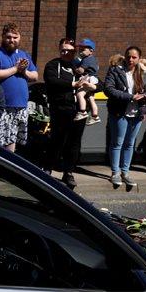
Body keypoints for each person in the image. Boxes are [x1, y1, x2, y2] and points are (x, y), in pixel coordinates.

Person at [43, 39, 94, 189]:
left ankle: (68, 172)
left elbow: (98, 81)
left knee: (74, 143)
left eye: (69, 51)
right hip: (60, 109)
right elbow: (52, 82)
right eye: (63, 50)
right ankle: (48, 169)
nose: (65, 53)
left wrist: (93, 85)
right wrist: (73, 84)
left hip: (79, 111)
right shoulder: (53, 65)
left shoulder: (81, 66)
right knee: (57, 140)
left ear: (75, 52)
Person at [104, 46, 146, 189]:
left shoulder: (145, 72)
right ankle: (115, 172)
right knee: (117, 142)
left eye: (134, 57)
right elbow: (108, 89)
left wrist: (145, 96)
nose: (130, 60)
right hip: (119, 112)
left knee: (130, 143)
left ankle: (125, 172)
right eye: (128, 56)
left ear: (139, 58)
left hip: (136, 114)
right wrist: (131, 96)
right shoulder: (116, 70)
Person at [0, 23, 38, 152]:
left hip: (21, 107)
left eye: (15, 37)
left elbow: (35, 76)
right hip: (3, 107)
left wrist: (24, 71)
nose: (12, 40)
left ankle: (5, 171)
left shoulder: (24, 55)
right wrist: (16, 68)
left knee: (12, 142)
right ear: (3, 37)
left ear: (19, 38)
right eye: (9, 37)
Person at [74, 39, 101, 125]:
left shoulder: (87, 59)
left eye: (83, 49)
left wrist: (75, 68)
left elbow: (81, 71)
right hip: (94, 79)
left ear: (91, 51)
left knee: (79, 94)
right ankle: (95, 116)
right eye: (80, 49)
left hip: (89, 78)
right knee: (91, 98)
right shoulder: (93, 59)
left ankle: (82, 112)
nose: (80, 51)